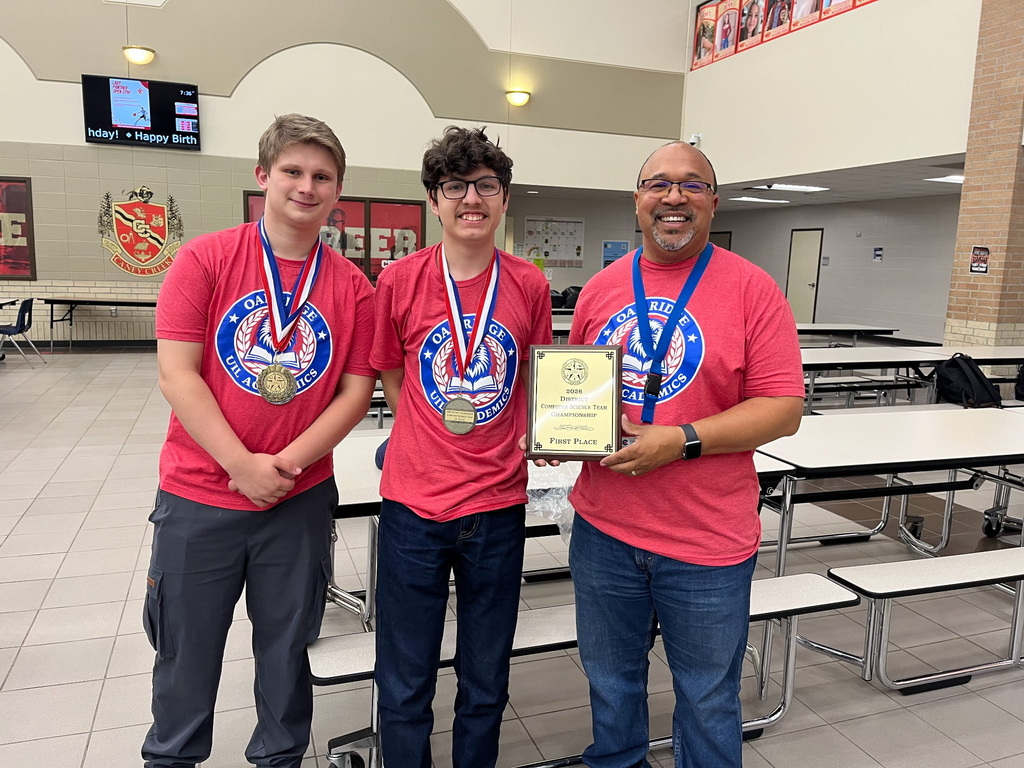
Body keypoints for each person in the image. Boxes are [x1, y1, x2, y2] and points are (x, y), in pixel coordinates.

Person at [142, 113, 376, 768]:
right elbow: (176, 373)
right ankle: (171, 759)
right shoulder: (206, 259)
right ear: (263, 177)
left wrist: (288, 465)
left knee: (286, 653)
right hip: (199, 499)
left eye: (322, 176)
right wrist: (240, 464)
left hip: (297, 505)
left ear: (337, 191)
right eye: (293, 172)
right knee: (186, 653)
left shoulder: (352, 287)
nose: (307, 186)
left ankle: (279, 760)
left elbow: (355, 394)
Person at [565, 142, 804, 768]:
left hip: (706, 540)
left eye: (692, 185)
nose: (674, 197)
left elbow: (783, 408)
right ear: (638, 202)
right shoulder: (600, 290)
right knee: (610, 687)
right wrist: (557, 434)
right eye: (658, 184)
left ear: (714, 202)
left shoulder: (754, 290)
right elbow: (577, 389)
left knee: (706, 697)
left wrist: (682, 439)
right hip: (604, 531)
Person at [370, 125, 552, 768]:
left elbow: (532, 372)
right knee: (404, 679)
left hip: (498, 507)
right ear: (434, 199)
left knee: (485, 678)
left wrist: (541, 430)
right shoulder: (399, 280)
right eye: (456, 187)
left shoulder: (528, 283)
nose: (470, 199)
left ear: (504, 198)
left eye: (485, 186)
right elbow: (391, 370)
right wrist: (424, 428)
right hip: (414, 509)